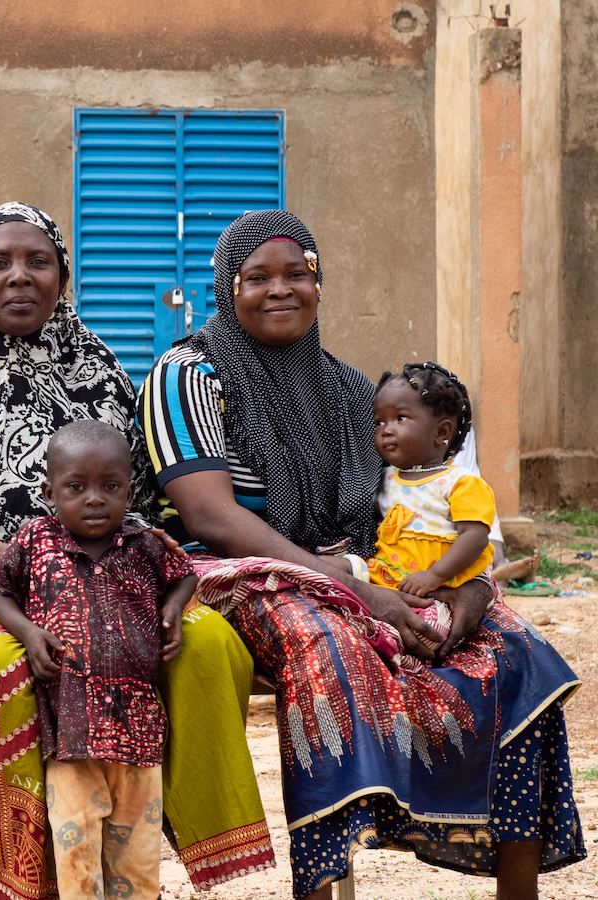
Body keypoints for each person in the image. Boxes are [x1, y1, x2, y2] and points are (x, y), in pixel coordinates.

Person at [138, 209, 585, 899]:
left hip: (353, 570)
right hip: (229, 575)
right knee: (326, 648)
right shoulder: (188, 375)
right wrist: (358, 594)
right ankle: (324, 878)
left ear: (320, 284)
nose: (280, 289)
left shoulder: (350, 389)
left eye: (298, 274)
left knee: (514, 649)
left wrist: (465, 590)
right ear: (228, 289)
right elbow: (211, 517)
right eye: (257, 278)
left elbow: (392, 520)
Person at [0, 201, 276, 900]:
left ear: (62, 275)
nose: (20, 277)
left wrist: (153, 589)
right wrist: (4, 554)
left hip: (105, 575)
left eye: (38, 261)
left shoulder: (97, 372)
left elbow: (141, 505)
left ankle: (159, 836)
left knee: (206, 644)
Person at [0, 422, 194, 900]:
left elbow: (184, 576)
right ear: (50, 491)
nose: (95, 499)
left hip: (139, 735)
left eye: (110, 487)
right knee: (76, 862)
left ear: (130, 491)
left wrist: (173, 607)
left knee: (138, 866)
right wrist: (29, 632)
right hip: (71, 736)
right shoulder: (35, 542)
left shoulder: (145, 543)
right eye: (76, 487)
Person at [355, 363, 494, 645]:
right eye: (379, 422)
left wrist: (434, 575)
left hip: (439, 580)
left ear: (441, 431)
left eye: (400, 418)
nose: (386, 430)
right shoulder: (383, 477)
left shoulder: (460, 482)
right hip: (389, 573)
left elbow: (475, 536)